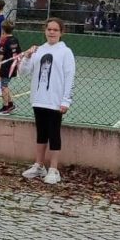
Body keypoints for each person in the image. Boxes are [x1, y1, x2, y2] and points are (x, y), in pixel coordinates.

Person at [18, 17, 76, 185]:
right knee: (41, 134)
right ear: (45, 31)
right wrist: (27, 57)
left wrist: (66, 101)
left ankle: (53, 169)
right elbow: (23, 72)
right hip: (39, 100)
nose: (51, 32)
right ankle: (39, 165)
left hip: (55, 101)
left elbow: (69, 77)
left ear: (61, 33)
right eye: (49, 29)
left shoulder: (66, 52)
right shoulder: (38, 50)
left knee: (54, 134)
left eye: (55, 30)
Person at [0, 20, 22, 115]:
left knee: (3, 86)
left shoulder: (4, 40)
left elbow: (1, 55)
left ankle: (5, 107)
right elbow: (19, 52)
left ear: (3, 29)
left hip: (6, 67)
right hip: (13, 66)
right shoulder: (15, 39)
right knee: (5, 85)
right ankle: (11, 104)